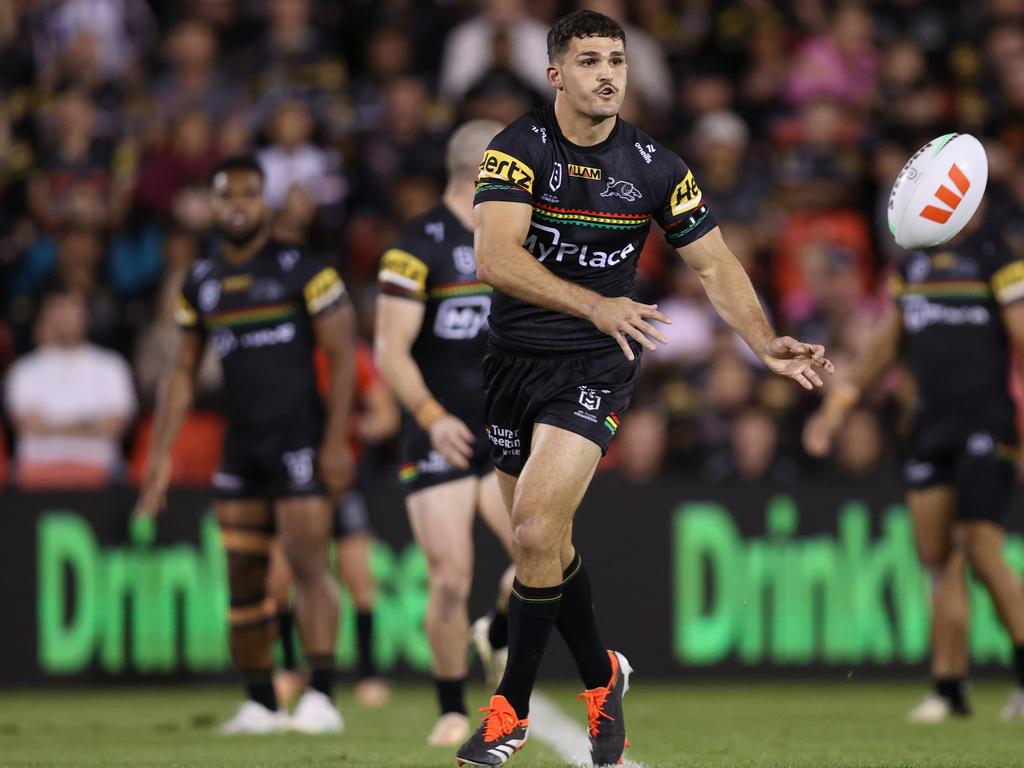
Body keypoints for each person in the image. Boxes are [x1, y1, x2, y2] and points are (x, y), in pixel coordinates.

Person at [456, 11, 832, 767]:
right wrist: (594, 298)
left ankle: (509, 713)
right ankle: (604, 677)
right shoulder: (517, 150)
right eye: (589, 59)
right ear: (556, 73)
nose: (608, 73)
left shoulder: (657, 166)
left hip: (595, 368)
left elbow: (717, 264)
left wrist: (765, 344)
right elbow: (494, 257)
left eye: (618, 60)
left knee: (531, 533)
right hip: (511, 368)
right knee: (545, 549)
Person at [135, 155, 356, 734]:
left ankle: (321, 696)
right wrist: (160, 456)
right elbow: (182, 372)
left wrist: (337, 442)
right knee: (242, 575)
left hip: (300, 439)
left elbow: (342, 356)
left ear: (265, 204)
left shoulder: (304, 269)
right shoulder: (200, 283)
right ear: (212, 206)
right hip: (242, 446)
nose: (237, 203)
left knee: (309, 563)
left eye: (249, 193)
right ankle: (260, 701)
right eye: (226, 194)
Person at [804, 206, 1024, 723]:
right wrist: (835, 414)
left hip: (987, 424)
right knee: (936, 554)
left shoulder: (998, 259)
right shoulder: (913, 268)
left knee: (982, 545)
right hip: (931, 427)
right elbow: (882, 351)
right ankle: (949, 689)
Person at [374, 119, 516, 748]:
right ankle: (452, 707)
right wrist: (431, 418)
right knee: (451, 576)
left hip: (508, 428)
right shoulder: (417, 244)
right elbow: (389, 349)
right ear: (485, 168)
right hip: (442, 437)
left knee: (545, 561)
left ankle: (501, 633)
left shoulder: (518, 237)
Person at [270, 342, 399, 710]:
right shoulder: (287, 356)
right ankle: (290, 668)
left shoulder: (353, 358)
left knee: (359, 579)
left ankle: (368, 674)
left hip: (342, 482)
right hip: (295, 478)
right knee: (280, 579)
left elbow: (385, 416)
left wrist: (352, 427)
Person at [5, 290, 135, 488]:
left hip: (100, 467)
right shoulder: (24, 369)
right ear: (46, 316)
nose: (66, 317)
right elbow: (27, 424)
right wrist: (89, 424)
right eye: (59, 309)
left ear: (86, 316)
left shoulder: (112, 366)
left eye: (72, 309)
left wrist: (51, 424)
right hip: (36, 469)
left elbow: (115, 426)